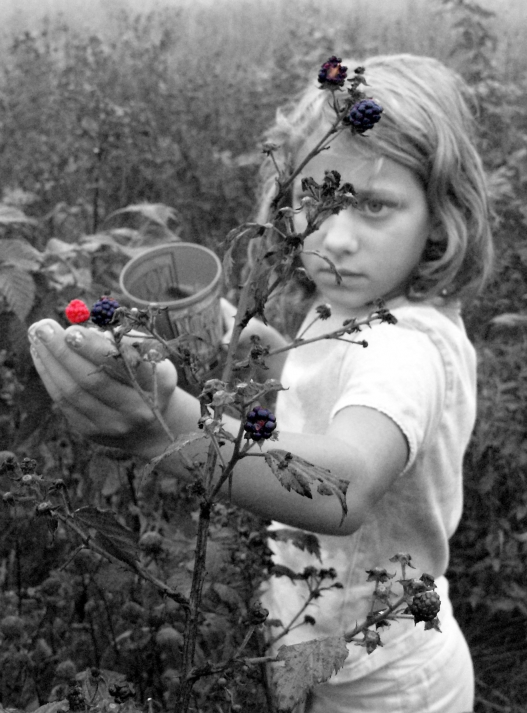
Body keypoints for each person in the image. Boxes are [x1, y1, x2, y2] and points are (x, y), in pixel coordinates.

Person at [28, 54, 492, 713]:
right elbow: (326, 400)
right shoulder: (351, 307)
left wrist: (168, 429)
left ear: (440, 220)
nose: (334, 238)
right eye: (316, 197)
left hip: (386, 685)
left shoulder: (404, 346)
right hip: (328, 649)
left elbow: (348, 482)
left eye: (375, 207)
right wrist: (266, 356)